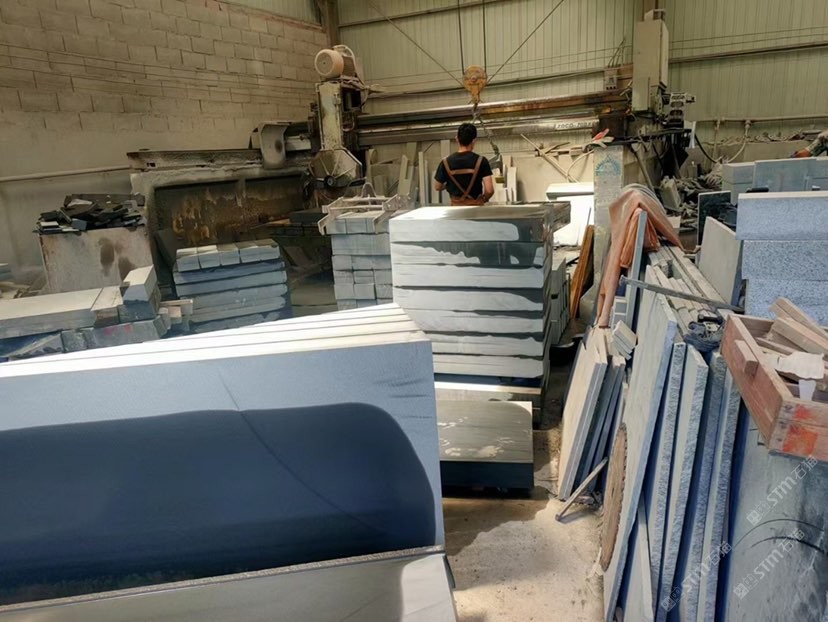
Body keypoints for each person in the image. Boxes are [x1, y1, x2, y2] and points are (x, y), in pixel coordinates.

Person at [434, 123, 495, 205]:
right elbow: (489, 190)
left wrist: (449, 183)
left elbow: (437, 187)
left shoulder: (445, 162)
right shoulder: (481, 161)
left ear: (457, 139)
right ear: (474, 140)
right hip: (476, 208)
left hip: (456, 209)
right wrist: (483, 199)